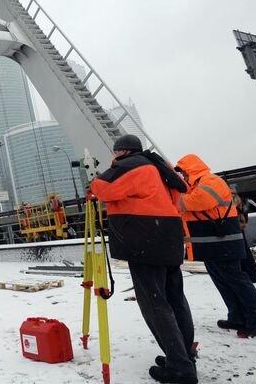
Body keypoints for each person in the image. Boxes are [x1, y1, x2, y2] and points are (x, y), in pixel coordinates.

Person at [91, 135, 197, 384]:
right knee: (175, 299)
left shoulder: (130, 165)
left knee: (155, 303)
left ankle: (180, 368)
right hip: (168, 236)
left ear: (122, 152)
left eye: (116, 154)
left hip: (144, 239)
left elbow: (104, 188)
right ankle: (182, 354)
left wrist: (94, 180)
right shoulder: (159, 166)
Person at [175, 154, 256, 339]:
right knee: (223, 281)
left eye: (183, 172)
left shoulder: (211, 181)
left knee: (237, 281)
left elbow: (195, 202)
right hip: (211, 244)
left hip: (224, 243)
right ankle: (236, 317)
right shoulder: (196, 186)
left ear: (190, 169)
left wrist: (173, 195)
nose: (183, 176)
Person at [231, 189, 256, 283]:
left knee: (242, 251)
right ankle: (252, 274)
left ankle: (250, 274)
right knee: (244, 250)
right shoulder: (237, 197)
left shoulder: (230, 198)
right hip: (239, 226)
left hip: (234, 227)